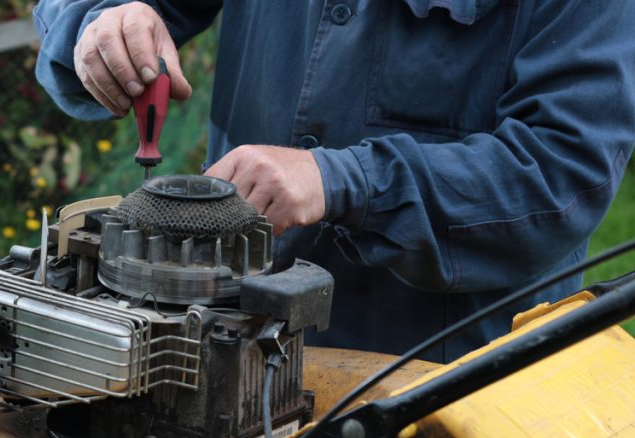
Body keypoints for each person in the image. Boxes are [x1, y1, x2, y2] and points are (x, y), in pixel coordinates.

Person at [32, 0, 635, 362]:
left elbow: (561, 170)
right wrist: (100, 20)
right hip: (227, 351)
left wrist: (347, 180)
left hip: (441, 386)